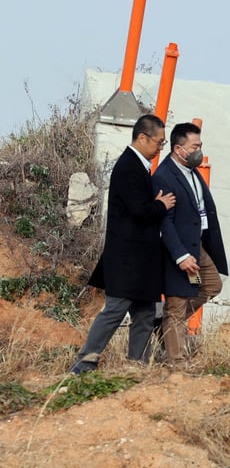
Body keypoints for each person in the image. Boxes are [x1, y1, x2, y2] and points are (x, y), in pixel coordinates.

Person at [71, 114, 175, 374]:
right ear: (142, 138)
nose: (160, 148)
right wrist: (161, 205)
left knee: (145, 314)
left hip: (140, 261)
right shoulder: (129, 166)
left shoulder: (138, 166)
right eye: (159, 142)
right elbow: (139, 210)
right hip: (128, 259)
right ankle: (84, 363)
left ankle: (136, 367)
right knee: (115, 311)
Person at [151, 122, 228, 368]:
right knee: (176, 304)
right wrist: (180, 255)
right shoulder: (164, 176)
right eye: (194, 146)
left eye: (200, 146)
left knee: (212, 285)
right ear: (178, 149)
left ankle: (166, 326)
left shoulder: (191, 172)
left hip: (197, 246)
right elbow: (165, 222)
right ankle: (177, 363)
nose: (198, 151)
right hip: (178, 251)